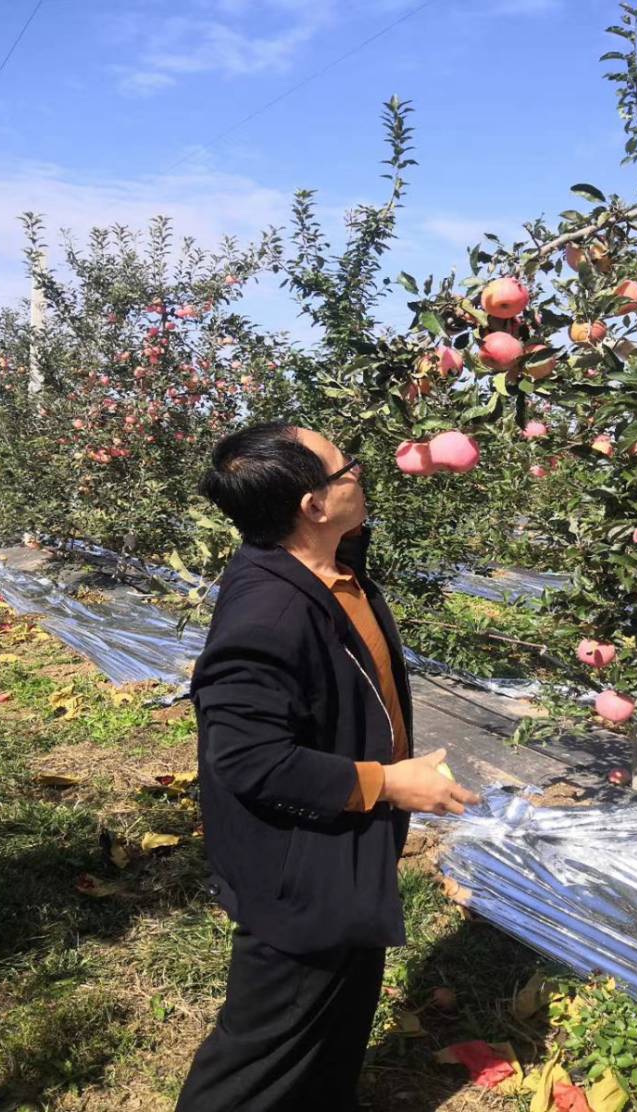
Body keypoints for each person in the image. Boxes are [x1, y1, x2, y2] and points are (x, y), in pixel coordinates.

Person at [175, 422, 480, 1112]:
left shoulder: (322, 564)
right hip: (297, 871)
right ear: (311, 506)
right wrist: (389, 782)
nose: (361, 476)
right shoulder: (270, 610)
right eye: (350, 469)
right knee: (260, 1053)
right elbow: (248, 759)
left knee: (337, 1019)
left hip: (342, 850)